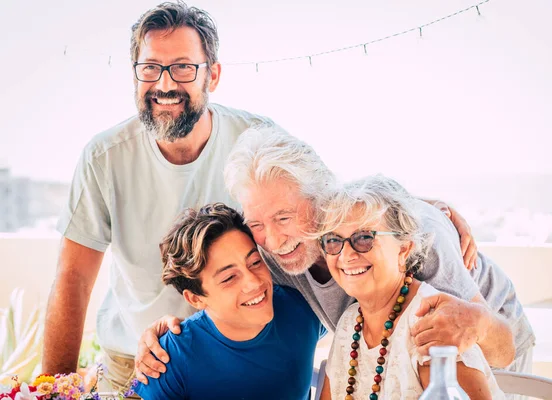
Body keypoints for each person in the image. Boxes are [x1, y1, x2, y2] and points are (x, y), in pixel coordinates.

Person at [44, 1, 481, 390]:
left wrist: (422, 211)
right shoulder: (104, 157)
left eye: (182, 67)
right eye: (150, 67)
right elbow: (73, 279)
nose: (164, 84)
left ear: (212, 74)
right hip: (146, 357)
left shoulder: (256, 137)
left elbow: (334, 201)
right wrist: (54, 390)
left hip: (258, 348)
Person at [136, 127, 535, 388]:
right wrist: (168, 335)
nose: (272, 242)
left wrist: (479, 322)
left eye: (284, 218)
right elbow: (226, 291)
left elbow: (501, 351)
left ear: (321, 197)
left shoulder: (420, 241)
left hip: (494, 332)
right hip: (390, 360)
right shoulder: (273, 256)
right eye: (257, 223)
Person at [315, 174, 504, 399]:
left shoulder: (430, 325)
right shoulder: (350, 322)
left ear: (404, 249)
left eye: (364, 238)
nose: (346, 255)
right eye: (334, 241)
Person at [132, 203, 324, 400]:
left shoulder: (302, 308)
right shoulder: (169, 358)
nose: (254, 282)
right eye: (229, 278)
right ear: (195, 299)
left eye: (255, 263)